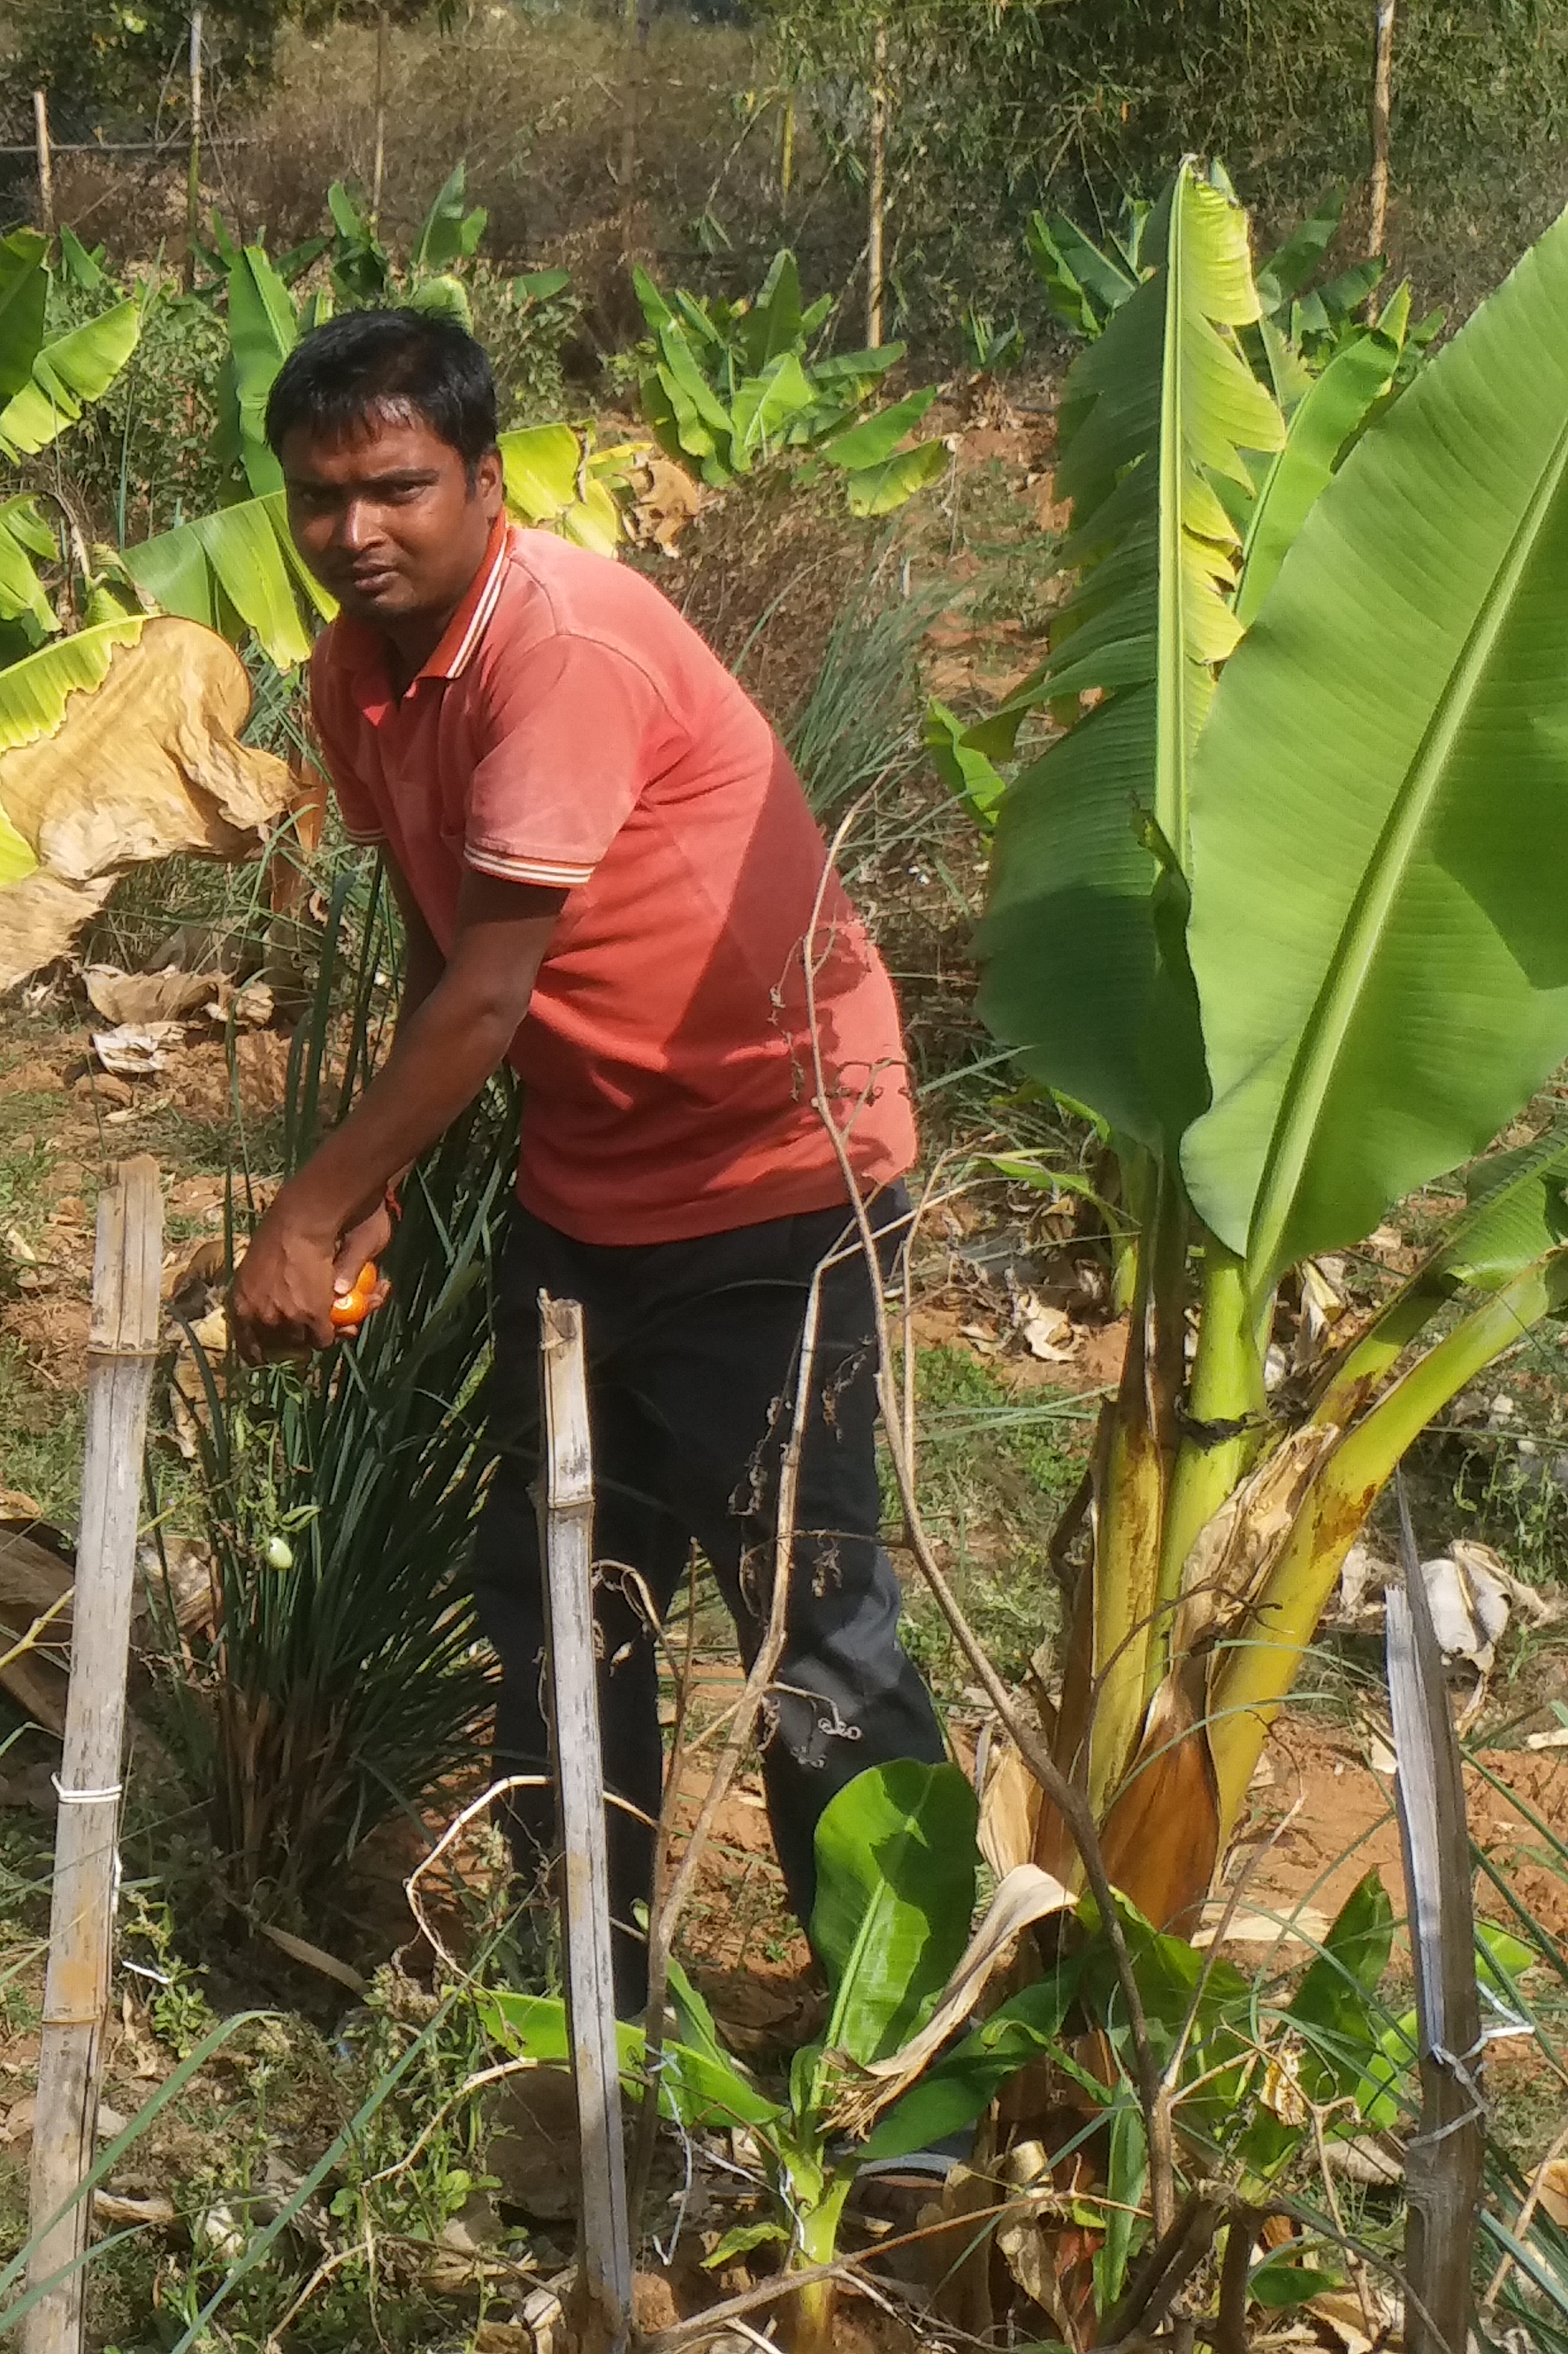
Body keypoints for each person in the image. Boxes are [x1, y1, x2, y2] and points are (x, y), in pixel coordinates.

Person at [226, 308, 942, 2010]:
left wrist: (312, 1205)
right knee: (564, 1597)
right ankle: (592, 2016)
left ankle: (914, 2066)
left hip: (780, 1175)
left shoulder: (558, 644)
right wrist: (389, 1174)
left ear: (484, 481)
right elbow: (438, 938)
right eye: (319, 500)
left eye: (395, 488)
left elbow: (488, 998)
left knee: (812, 1630)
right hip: (589, 1179)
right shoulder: (361, 670)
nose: (354, 533)